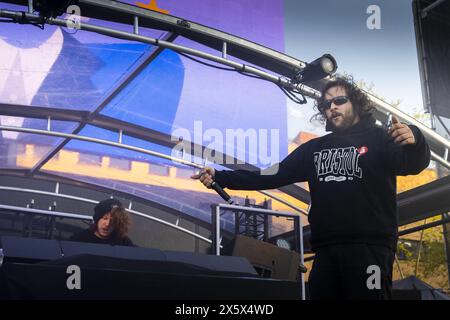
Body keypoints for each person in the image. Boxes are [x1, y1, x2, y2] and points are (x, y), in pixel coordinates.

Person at [191, 77, 431, 300]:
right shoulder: (314, 148)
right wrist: (222, 176)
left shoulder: (381, 138)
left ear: (357, 103)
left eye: (339, 100)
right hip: (326, 250)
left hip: (370, 248)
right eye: (326, 105)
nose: (332, 107)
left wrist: (416, 139)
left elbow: (414, 164)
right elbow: (272, 175)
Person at [70, 198, 134, 246]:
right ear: (97, 219)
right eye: (104, 218)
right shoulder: (80, 239)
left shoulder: (124, 242)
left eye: (113, 220)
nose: (107, 224)